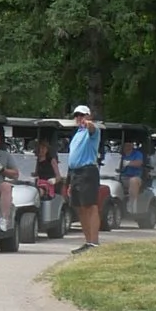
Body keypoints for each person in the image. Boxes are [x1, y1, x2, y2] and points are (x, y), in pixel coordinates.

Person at [65, 106, 103, 247]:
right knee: (79, 208)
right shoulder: (77, 134)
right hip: (75, 173)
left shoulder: (91, 131)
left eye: (82, 115)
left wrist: (88, 123)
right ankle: (88, 241)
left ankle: (94, 242)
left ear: (88, 116)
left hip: (87, 172)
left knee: (90, 206)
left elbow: (93, 128)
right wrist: (69, 182)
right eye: (77, 115)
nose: (79, 118)